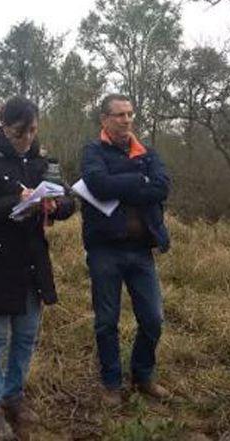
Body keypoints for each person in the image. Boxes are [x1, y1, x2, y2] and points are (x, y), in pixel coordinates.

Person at [0, 97, 76, 440]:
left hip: (32, 259)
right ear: (3, 125)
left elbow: (69, 201)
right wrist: (18, 200)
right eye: (19, 132)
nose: (27, 138)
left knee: (26, 334)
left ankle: (14, 395)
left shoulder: (42, 161)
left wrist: (55, 205)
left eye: (32, 130)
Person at [79, 94, 172, 407]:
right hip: (105, 250)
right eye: (119, 115)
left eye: (130, 114)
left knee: (154, 319)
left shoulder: (147, 152)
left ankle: (143, 375)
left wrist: (126, 183)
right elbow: (98, 184)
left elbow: (162, 187)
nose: (127, 119)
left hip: (141, 252)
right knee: (107, 321)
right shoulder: (93, 151)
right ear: (104, 119)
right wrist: (138, 180)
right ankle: (111, 383)